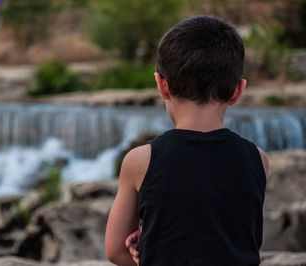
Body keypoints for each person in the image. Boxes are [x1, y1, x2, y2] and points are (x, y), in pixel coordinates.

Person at [105, 15, 269, 266]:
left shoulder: (140, 160)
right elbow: (239, 236)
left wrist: (152, 242)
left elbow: (116, 250)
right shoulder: (257, 158)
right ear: (238, 90)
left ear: (162, 86)